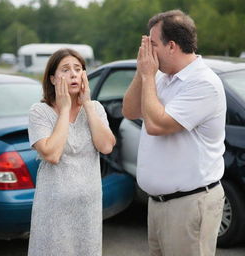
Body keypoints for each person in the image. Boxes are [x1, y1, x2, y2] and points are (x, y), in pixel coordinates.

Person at [122, 9, 226, 256]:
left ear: (171, 46)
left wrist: (148, 75)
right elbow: (129, 110)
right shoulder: (161, 77)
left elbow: (157, 125)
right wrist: (142, 72)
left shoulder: (203, 83)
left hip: (189, 204)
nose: (148, 50)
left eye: (153, 44)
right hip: (158, 204)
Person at [28, 48, 116, 256]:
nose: (74, 74)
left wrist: (86, 104)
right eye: (65, 70)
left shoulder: (94, 108)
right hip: (53, 210)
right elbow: (52, 154)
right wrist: (65, 108)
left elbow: (106, 146)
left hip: (89, 208)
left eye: (78, 69)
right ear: (52, 79)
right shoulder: (39, 112)